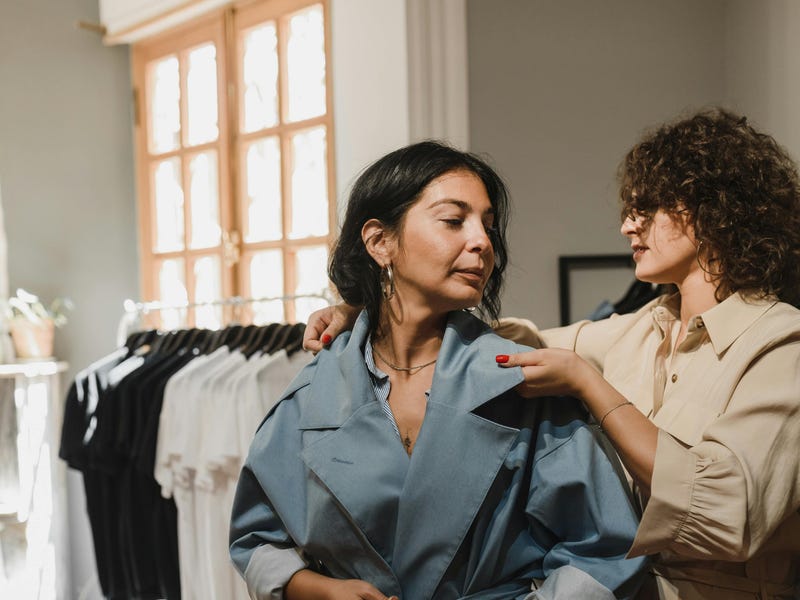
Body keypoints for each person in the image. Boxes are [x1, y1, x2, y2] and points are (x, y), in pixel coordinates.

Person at [302, 109, 800, 599]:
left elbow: (729, 512)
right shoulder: (640, 331)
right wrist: (369, 310)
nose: (628, 226)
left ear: (709, 210)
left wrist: (591, 385)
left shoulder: (781, 344)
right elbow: (513, 341)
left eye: (646, 208)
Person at [229, 141, 648, 599]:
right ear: (379, 242)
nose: (482, 242)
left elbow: (605, 547)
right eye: (454, 220)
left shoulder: (525, 385)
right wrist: (312, 589)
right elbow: (257, 538)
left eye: (488, 226)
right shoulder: (312, 397)